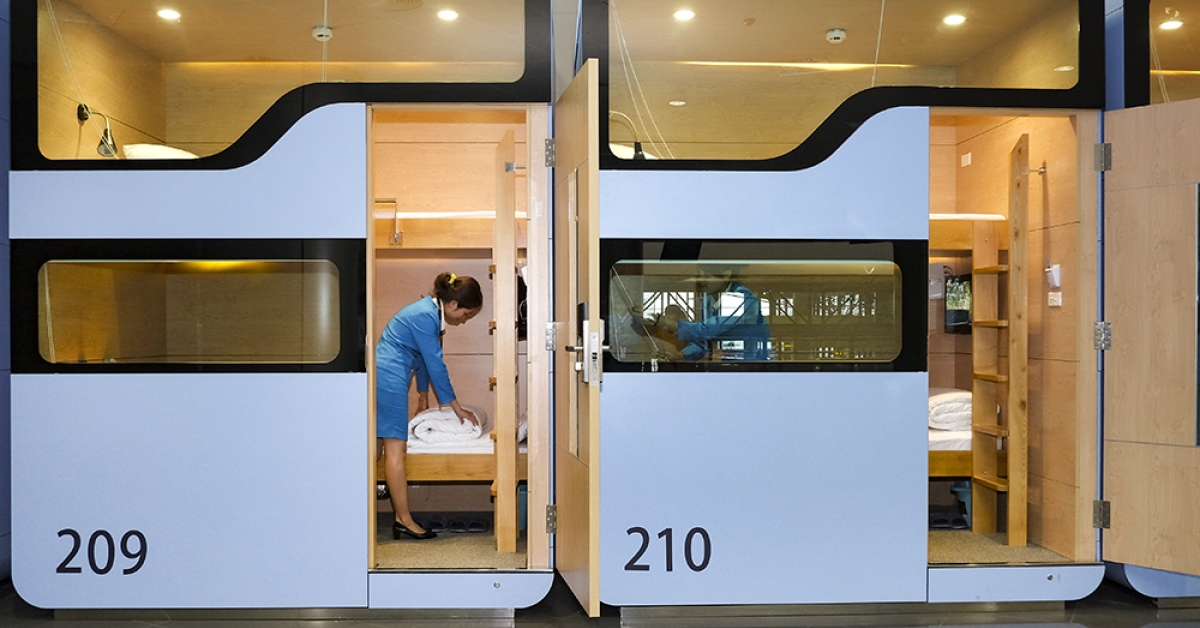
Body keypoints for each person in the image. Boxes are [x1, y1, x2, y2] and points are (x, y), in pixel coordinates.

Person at [376, 272, 482, 540]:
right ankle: (403, 519)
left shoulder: (429, 312)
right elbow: (435, 364)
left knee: (377, 448)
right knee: (395, 449)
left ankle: (364, 513)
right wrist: (456, 409)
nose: (463, 320)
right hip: (388, 375)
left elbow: (422, 358)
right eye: (466, 314)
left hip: (387, 373)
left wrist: (423, 398)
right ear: (453, 304)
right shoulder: (425, 316)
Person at [642, 266, 771, 361]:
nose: (701, 281)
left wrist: (662, 322)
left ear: (726, 274)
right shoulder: (708, 301)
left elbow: (706, 330)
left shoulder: (741, 297)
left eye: (707, 276)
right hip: (732, 367)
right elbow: (702, 341)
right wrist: (681, 355)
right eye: (699, 276)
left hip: (756, 368)